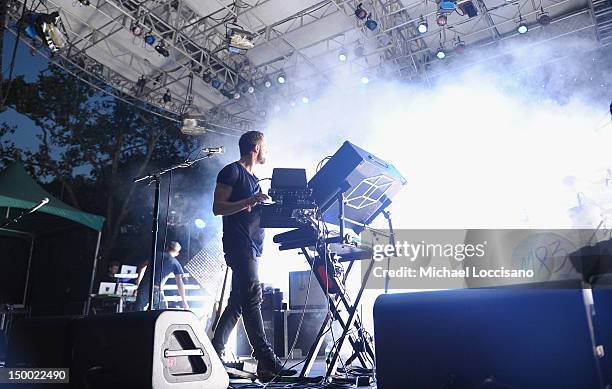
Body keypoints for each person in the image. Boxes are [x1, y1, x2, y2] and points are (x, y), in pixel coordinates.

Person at [210, 131, 296, 381]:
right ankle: (266, 359)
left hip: (253, 248)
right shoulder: (232, 171)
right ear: (256, 147)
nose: (267, 151)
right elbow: (218, 207)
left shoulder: (254, 179)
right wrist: (250, 200)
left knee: (238, 302)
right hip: (239, 245)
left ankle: (214, 353)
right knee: (253, 296)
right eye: (265, 147)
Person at [135, 241, 189, 311]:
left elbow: (142, 267)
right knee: (162, 312)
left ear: (166, 248)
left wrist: (138, 283)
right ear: (177, 253)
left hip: (144, 287)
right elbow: (179, 283)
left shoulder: (156, 254)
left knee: (139, 310)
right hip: (156, 289)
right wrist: (184, 301)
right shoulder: (175, 262)